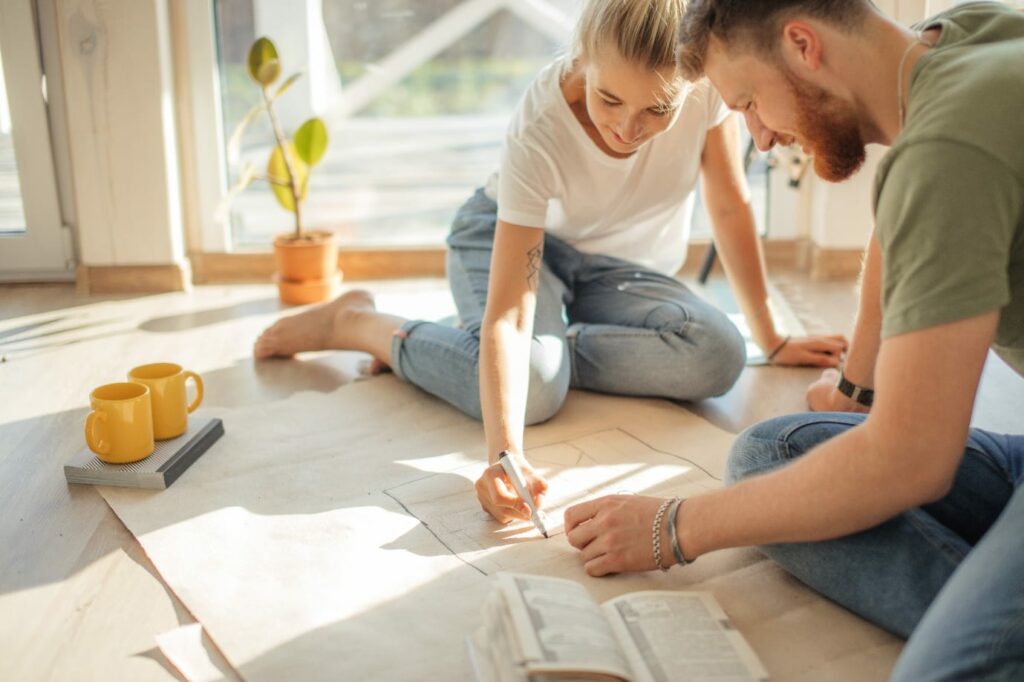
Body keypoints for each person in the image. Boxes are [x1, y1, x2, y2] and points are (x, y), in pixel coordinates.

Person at [564, 2, 1024, 679]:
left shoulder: (946, 150)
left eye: (749, 102)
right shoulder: (964, 37)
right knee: (770, 456)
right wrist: (853, 388)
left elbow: (911, 459)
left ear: (803, 44)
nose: (764, 138)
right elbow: (899, 228)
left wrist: (673, 528)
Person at [254, 0, 846, 525]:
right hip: (505, 238)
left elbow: (729, 202)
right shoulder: (540, 124)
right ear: (583, 58)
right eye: (609, 97)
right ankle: (358, 323)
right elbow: (511, 313)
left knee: (718, 354)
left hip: (612, 268)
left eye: (656, 110)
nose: (626, 126)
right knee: (534, 391)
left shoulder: (708, 90)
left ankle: (535, 347)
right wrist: (503, 453)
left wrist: (769, 335)